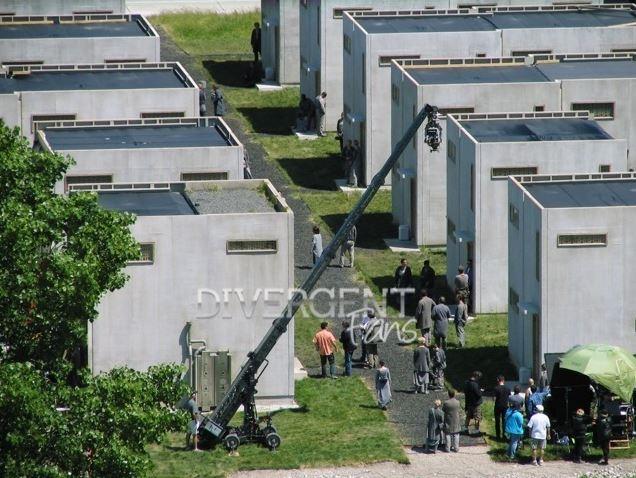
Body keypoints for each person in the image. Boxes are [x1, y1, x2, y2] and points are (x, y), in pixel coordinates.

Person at [493, 375, 511, 441]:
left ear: (498, 380)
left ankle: (498, 435)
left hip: (498, 405)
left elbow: (494, 398)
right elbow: (509, 397)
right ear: (503, 380)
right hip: (505, 406)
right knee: (504, 421)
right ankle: (504, 435)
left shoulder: (496, 388)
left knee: (497, 421)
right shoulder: (508, 388)